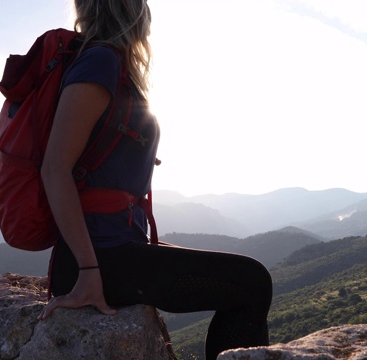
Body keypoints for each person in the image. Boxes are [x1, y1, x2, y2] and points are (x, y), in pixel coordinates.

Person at [37, 0, 273, 358]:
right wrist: (88, 270)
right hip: (100, 258)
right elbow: (55, 168)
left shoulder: (110, 64)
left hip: (117, 250)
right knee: (251, 283)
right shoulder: (100, 62)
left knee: (249, 282)